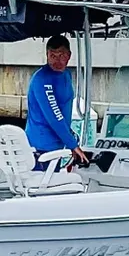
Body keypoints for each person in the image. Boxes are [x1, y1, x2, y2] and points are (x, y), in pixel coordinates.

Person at [25, 34, 90, 169]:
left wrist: (69, 135)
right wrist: (72, 144)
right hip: (40, 147)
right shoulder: (42, 79)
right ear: (46, 55)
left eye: (61, 55)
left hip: (56, 145)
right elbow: (54, 115)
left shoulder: (65, 75)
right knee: (43, 186)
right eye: (52, 56)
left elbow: (63, 109)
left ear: (69, 55)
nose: (57, 61)